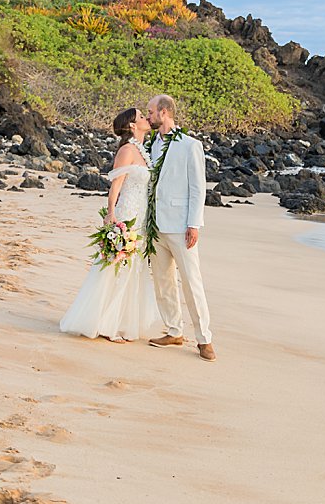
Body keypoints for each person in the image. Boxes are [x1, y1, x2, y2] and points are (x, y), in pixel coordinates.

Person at [58, 108, 159, 342]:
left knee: (134, 266)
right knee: (119, 265)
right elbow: (116, 185)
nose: (146, 119)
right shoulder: (126, 150)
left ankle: (122, 321)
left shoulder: (142, 151)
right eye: (141, 116)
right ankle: (106, 324)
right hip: (127, 212)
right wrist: (111, 213)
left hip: (141, 214)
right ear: (132, 126)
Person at [144, 94, 215, 361]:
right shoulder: (150, 144)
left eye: (150, 111)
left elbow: (198, 187)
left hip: (181, 225)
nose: (148, 116)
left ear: (163, 112)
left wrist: (194, 224)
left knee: (191, 281)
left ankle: (204, 338)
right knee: (163, 282)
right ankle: (174, 330)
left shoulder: (190, 145)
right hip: (155, 224)